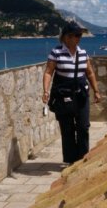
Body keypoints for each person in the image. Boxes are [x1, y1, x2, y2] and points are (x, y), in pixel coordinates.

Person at [42, 22, 102, 164]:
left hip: (81, 94)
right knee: (67, 129)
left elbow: (90, 73)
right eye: (76, 35)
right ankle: (71, 160)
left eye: (80, 35)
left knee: (83, 126)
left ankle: (83, 158)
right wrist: (45, 91)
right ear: (67, 37)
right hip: (64, 96)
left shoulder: (83, 53)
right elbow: (48, 72)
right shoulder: (56, 52)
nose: (79, 37)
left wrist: (96, 91)